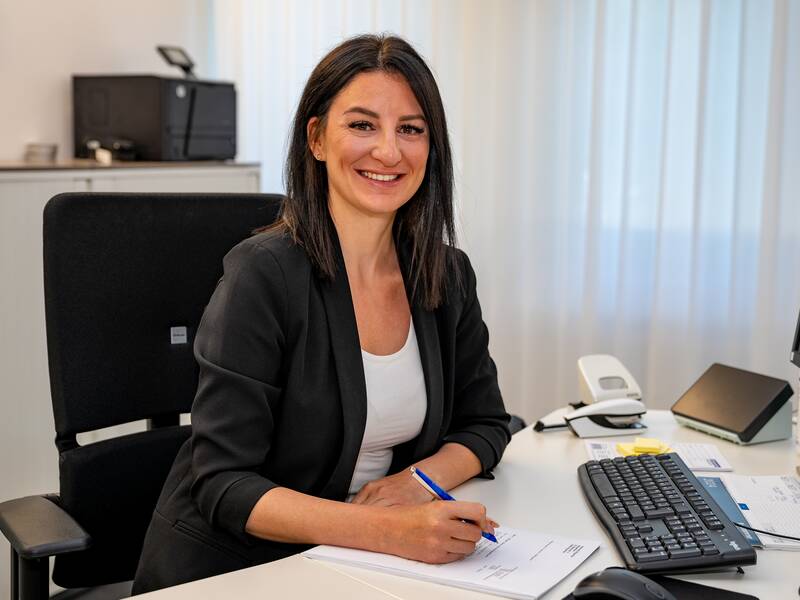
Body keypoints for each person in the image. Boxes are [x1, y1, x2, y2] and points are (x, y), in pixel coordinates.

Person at [132, 33, 511, 594]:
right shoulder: (263, 275)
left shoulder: (445, 274)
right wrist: (385, 529)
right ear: (316, 138)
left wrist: (417, 482)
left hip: (362, 568)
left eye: (411, 128)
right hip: (237, 569)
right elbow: (223, 483)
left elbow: (486, 424)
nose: (388, 151)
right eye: (362, 125)